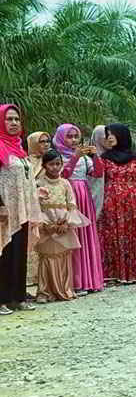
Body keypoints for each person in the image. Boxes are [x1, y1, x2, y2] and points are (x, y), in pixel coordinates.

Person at [0, 104, 44, 315]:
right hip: (5, 212)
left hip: (22, 211)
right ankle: (2, 300)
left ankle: (18, 298)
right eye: (9, 119)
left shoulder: (19, 148)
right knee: (4, 254)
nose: (14, 123)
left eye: (16, 119)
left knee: (19, 254)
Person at [54, 123, 105, 294]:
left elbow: (98, 173)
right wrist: (75, 156)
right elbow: (64, 175)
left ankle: (90, 280)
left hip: (84, 197)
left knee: (86, 238)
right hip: (68, 197)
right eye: (69, 136)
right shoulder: (57, 156)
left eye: (76, 136)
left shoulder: (84, 158)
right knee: (73, 238)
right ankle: (75, 282)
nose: (74, 140)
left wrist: (96, 156)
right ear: (61, 137)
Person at [96, 124, 136, 284]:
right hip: (111, 201)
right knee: (112, 235)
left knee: (134, 235)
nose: (109, 138)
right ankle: (114, 274)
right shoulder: (104, 158)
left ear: (122, 135)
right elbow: (98, 178)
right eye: (107, 135)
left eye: (112, 134)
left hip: (133, 201)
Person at [35, 150, 90, 303]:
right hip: (47, 225)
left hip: (63, 225)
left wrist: (67, 222)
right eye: (51, 164)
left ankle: (65, 289)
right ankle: (44, 292)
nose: (55, 167)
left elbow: (72, 204)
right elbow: (36, 206)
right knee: (47, 257)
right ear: (44, 165)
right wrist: (47, 224)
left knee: (63, 257)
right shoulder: (39, 183)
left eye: (58, 164)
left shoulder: (65, 183)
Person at [25, 131, 50, 287]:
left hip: (50, 207)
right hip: (31, 207)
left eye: (48, 141)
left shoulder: (52, 160)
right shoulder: (26, 161)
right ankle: (29, 281)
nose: (46, 144)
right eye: (42, 141)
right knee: (32, 243)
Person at [88, 125, 106, 219]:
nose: (108, 139)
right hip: (92, 198)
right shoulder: (88, 158)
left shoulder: (113, 156)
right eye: (104, 137)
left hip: (108, 201)